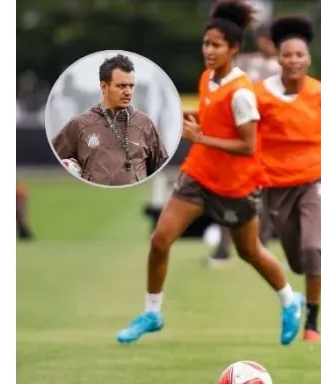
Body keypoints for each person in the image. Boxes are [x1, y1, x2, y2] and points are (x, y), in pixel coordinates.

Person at [116, 0, 304, 346]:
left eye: (216, 45)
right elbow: (212, 117)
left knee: (250, 253)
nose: (209, 50)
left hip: (236, 185)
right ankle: (152, 313)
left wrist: (200, 136)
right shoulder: (208, 78)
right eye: (206, 43)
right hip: (198, 175)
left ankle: (290, 301)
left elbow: (248, 144)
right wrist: (181, 117)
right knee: (160, 240)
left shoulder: (243, 92)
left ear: (233, 48)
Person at [253, 15, 321, 342]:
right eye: (287, 55)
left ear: (308, 58)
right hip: (275, 185)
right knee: (298, 263)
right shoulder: (259, 94)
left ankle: (312, 325)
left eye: (300, 55)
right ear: (278, 59)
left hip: (315, 178)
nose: (294, 60)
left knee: (311, 249)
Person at [208, 19, 282, 268]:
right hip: (242, 134)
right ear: (261, 40)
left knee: (268, 194)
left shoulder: (285, 66)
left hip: (270, 138)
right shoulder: (243, 63)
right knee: (228, 190)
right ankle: (223, 246)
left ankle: (261, 246)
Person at [52, 54, 168, 187]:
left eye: (131, 86)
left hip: (132, 202)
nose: (128, 92)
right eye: (121, 86)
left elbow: (161, 168)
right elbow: (51, 161)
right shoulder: (79, 124)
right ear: (104, 87)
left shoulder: (145, 123)